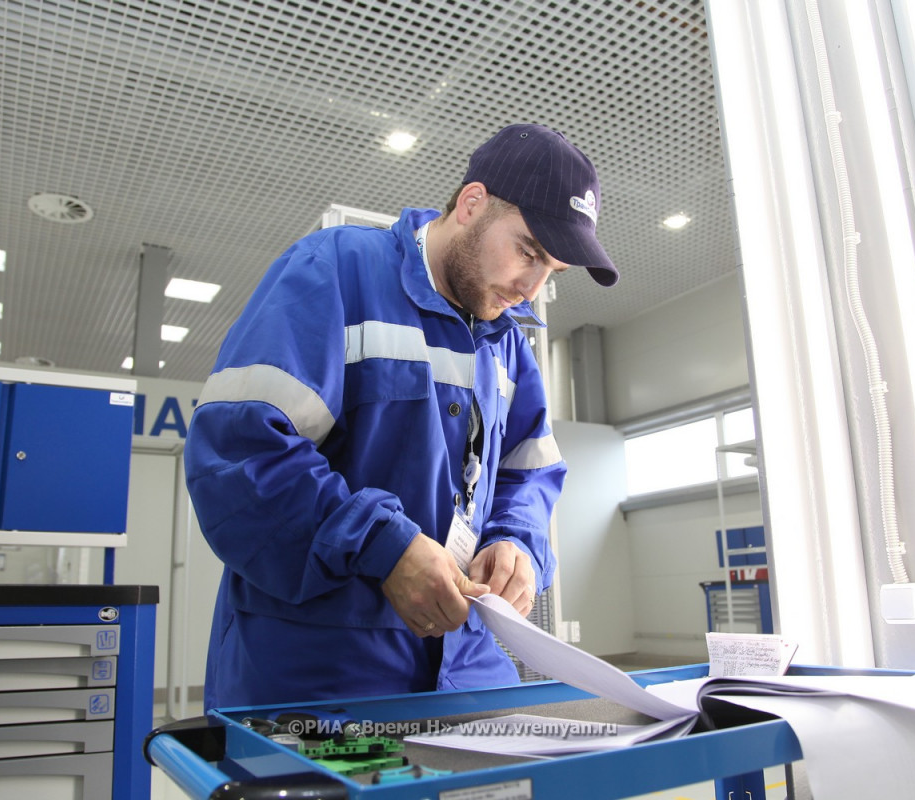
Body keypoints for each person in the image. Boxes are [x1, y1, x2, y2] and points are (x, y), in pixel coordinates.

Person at [185, 123, 619, 709]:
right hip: (322, 675)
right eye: (528, 252)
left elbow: (528, 474)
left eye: (553, 273)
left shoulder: (508, 346)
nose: (532, 288)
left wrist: (516, 540)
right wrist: (383, 546)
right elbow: (239, 454)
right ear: (471, 205)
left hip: (468, 670)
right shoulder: (335, 272)